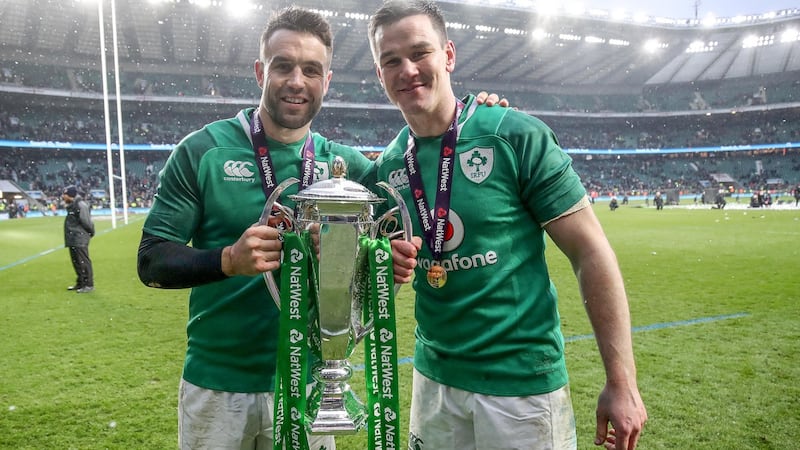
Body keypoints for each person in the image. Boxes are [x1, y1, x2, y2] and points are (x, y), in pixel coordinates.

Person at [136, 6, 504, 449]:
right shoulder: (203, 151)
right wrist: (228, 260)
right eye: (283, 66)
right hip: (216, 385)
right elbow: (152, 259)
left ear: (326, 81)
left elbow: (420, 200)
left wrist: (478, 115)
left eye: (312, 69)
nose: (297, 81)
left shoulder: (348, 169)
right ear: (259, 72)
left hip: (311, 385)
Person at [368, 1, 647, 449]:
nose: (408, 70)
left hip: (521, 387)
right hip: (433, 381)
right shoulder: (386, 166)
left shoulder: (515, 135)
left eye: (420, 53)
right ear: (379, 74)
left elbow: (590, 251)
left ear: (449, 55)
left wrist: (622, 381)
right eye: (391, 60)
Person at [63, 185, 95, 293]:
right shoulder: (72, 205)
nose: (63, 196)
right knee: (76, 262)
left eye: (65, 194)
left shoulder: (81, 205)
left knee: (83, 261)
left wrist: (90, 232)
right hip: (73, 238)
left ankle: (89, 285)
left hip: (79, 237)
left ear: (69, 195)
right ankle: (80, 283)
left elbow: (86, 221)